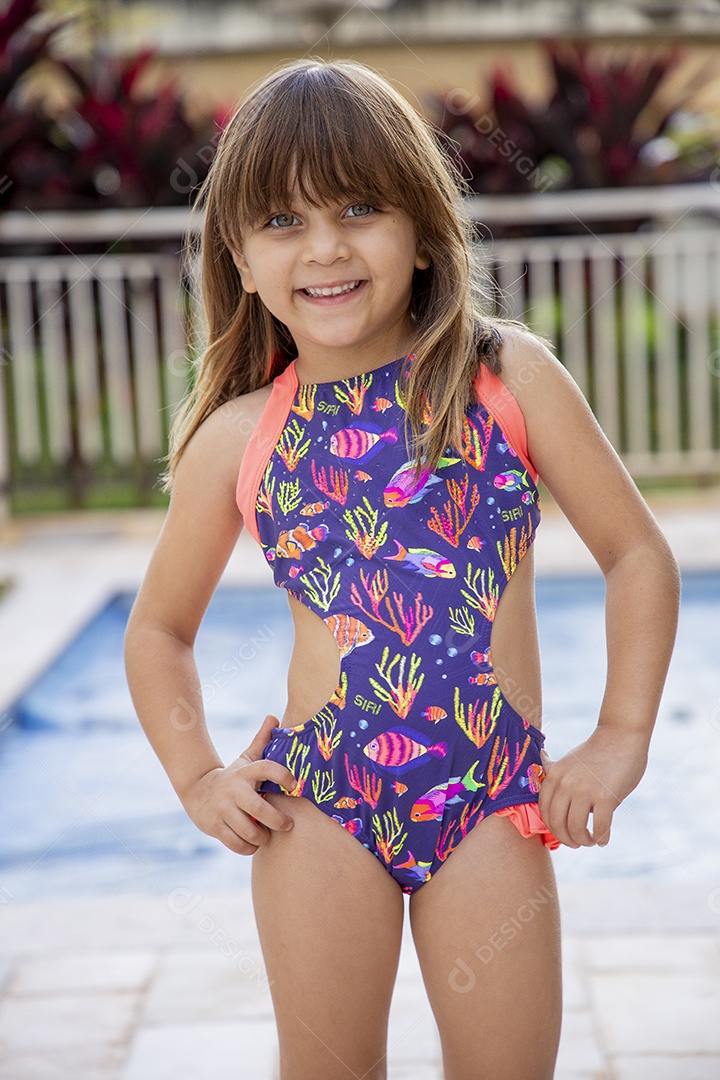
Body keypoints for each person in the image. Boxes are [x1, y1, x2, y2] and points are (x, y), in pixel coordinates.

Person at [123, 57, 680, 1080]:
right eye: (282, 221)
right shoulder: (240, 439)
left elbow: (636, 553)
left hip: (491, 801)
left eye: (359, 208)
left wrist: (622, 735)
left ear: (423, 230)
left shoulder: (506, 381)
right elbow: (158, 630)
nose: (325, 247)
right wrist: (197, 777)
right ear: (240, 257)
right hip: (321, 810)